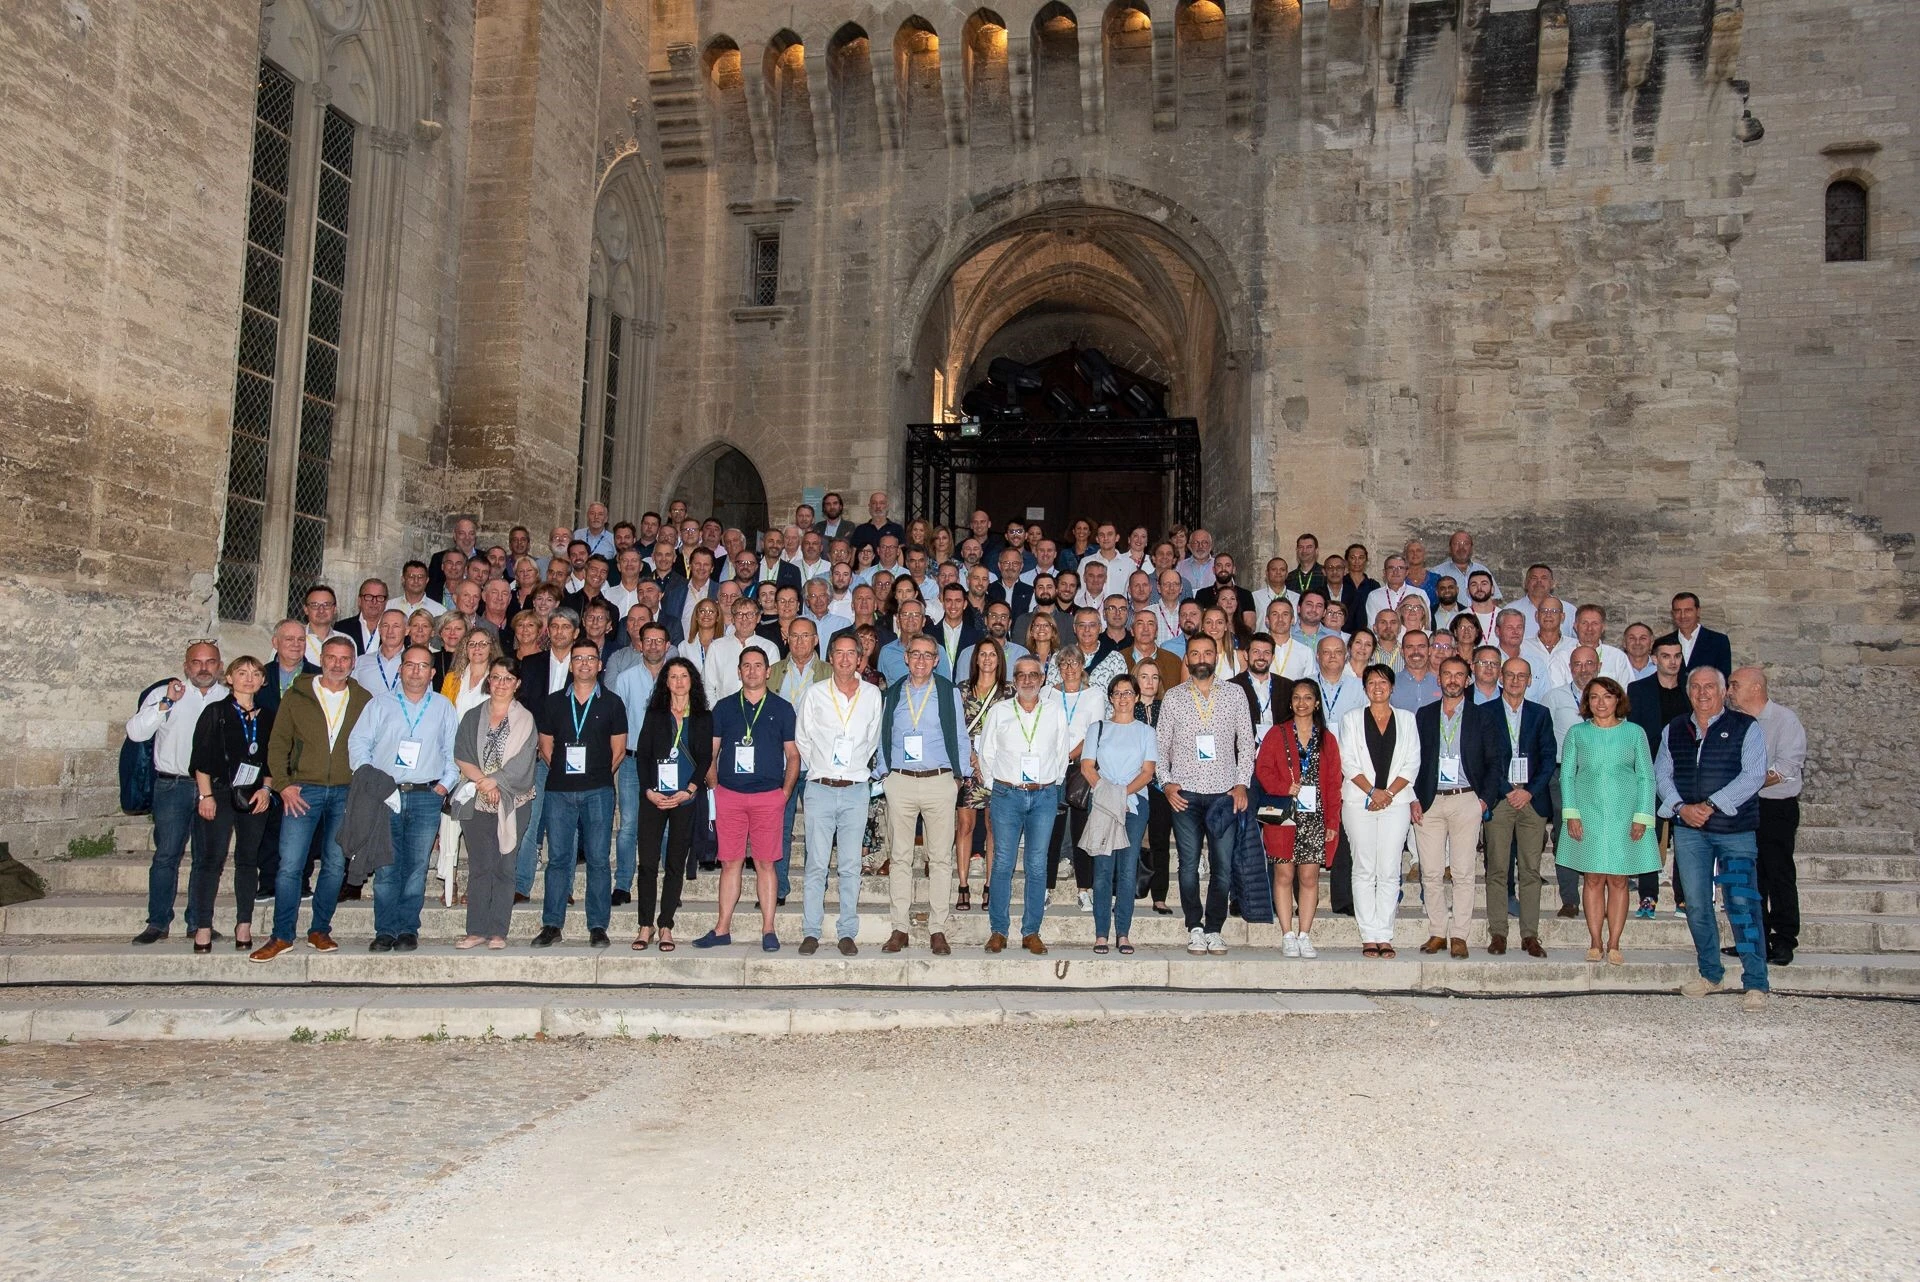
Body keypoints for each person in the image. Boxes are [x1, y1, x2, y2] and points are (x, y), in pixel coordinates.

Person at [250, 637, 374, 961]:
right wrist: (284, 784)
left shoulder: (364, 699)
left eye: (344, 659)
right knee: (290, 865)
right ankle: (281, 935)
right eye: (331, 657)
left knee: (335, 865)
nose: (337, 664)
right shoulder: (298, 694)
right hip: (302, 791)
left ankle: (320, 929)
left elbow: (374, 744)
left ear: (353, 662)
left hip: (345, 791)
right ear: (322, 659)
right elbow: (277, 744)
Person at [1657, 668, 1770, 1008]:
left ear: (1724, 692)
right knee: (1696, 906)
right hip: (1690, 833)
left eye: (1710, 687)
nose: (1702, 693)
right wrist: (1679, 807)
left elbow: (1753, 775)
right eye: (1696, 687)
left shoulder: (1745, 727)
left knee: (1743, 904)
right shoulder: (1674, 729)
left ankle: (1755, 983)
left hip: (1734, 833)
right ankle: (1711, 975)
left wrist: (1709, 805)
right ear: (1688, 691)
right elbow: (1662, 773)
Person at [347, 644, 459, 951]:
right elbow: (358, 745)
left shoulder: (443, 707)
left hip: (426, 796)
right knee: (385, 865)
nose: (416, 671)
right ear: (401, 668)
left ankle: (409, 928)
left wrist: (444, 786)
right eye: (410, 665)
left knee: (416, 866)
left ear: (432, 672)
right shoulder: (380, 704)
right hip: (385, 795)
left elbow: (453, 753)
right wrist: (372, 782)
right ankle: (385, 930)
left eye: (423, 666)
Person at [1156, 634, 1255, 956]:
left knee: (1222, 866)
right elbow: (1160, 747)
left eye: (1207, 652)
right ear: (1186, 658)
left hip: (1223, 794)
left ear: (1216, 657)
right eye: (1195, 653)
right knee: (1187, 866)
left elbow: (1247, 744)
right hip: (1184, 795)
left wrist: (1242, 785)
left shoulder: (1236, 694)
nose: (1201, 658)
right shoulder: (1173, 697)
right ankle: (1194, 927)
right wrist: (1167, 783)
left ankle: (1214, 928)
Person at [126, 640, 229, 945]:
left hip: (212, 789)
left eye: (210, 662)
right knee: (166, 855)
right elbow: (136, 732)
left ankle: (198, 922)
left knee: (205, 858)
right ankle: (158, 922)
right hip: (172, 785)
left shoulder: (228, 697)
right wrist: (166, 704)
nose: (203, 668)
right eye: (196, 662)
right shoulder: (165, 694)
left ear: (220, 666)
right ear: (186, 666)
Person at [696, 648, 798, 951]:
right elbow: (711, 752)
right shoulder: (724, 708)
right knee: (730, 863)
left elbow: (793, 755)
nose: (752, 671)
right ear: (738, 672)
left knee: (766, 864)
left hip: (768, 797)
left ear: (768, 671)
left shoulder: (782, 708)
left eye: (758, 666)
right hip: (730, 795)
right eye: (746, 666)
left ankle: (769, 930)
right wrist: (716, 788)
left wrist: (785, 793)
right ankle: (722, 928)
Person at [873, 635, 969, 955]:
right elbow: (882, 734)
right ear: (905, 657)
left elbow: (960, 735)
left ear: (937, 660)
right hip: (900, 782)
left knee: (940, 859)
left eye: (928, 655)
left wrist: (958, 779)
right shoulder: (894, 692)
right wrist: (885, 775)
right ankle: (899, 927)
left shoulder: (947, 691)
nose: (921, 661)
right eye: (915, 654)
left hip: (939, 782)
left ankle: (937, 929)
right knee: (900, 857)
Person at [1556, 675, 1661, 964]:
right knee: (1591, 878)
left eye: (1607, 696)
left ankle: (1614, 942)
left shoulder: (1634, 733)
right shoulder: (1577, 733)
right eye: (1594, 697)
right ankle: (1594, 941)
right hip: (1587, 814)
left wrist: (1642, 815)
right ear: (1587, 702)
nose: (1601, 702)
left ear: (1618, 700)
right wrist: (1571, 814)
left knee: (1618, 879)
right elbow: (1566, 775)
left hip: (1623, 815)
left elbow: (1646, 776)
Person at [532, 641, 628, 948]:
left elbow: (619, 749)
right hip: (559, 790)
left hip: (598, 790)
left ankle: (598, 926)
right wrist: (563, 770)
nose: (584, 663)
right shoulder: (553, 702)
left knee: (599, 860)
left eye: (590, 659)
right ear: (571, 665)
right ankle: (552, 924)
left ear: (600, 665)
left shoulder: (612, 703)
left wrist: (597, 775)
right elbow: (545, 746)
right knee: (558, 859)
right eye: (578, 659)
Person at [794, 634, 883, 955]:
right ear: (830, 657)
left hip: (856, 790)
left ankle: (847, 931)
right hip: (820, 787)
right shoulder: (815, 694)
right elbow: (802, 738)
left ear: (860, 658)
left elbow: (872, 739)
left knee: (849, 865)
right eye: (839, 653)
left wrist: (853, 767)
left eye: (851, 654)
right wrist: (822, 766)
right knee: (816, 864)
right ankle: (811, 931)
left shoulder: (873, 695)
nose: (845, 659)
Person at [977, 656, 1073, 954]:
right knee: (1003, 863)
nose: (1028, 680)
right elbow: (986, 752)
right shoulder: (999, 711)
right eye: (1022, 675)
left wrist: (1051, 783)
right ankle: (998, 930)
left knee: (1036, 865)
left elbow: (1062, 751)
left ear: (1042, 679)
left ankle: (1031, 931)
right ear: (1014, 680)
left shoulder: (1055, 711)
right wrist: (998, 787)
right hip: (1007, 794)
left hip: (1043, 795)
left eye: (1034, 675)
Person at [1465, 657, 1559, 957]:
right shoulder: (1485, 712)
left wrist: (1529, 791)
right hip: (1500, 799)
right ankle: (1498, 934)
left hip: (1532, 801)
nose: (1516, 681)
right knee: (1497, 869)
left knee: (1530, 871)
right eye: (1511, 675)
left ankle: (1530, 935)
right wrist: (1507, 790)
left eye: (1522, 676)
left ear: (1530, 680)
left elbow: (1549, 758)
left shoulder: (1541, 714)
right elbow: (1482, 758)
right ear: (1501, 678)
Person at [448, 656, 539, 949]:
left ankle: (498, 931)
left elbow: (524, 763)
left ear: (517, 684)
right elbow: (461, 752)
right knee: (480, 865)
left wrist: (496, 782)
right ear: (490, 680)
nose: (501, 684)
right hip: (476, 797)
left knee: (505, 865)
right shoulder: (473, 715)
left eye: (508, 679)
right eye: (497, 677)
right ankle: (476, 930)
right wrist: (483, 783)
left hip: (514, 799)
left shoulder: (526, 719)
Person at [188, 655, 274, 953]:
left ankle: (244, 923)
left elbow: (272, 760)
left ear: (263, 680)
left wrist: (266, 790)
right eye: (242, 672)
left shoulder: (267, 716)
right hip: (220, 792)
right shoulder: (216, 712)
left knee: (249, 860)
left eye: (255, 673)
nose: (249, 678)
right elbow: (200, 757)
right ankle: (202, 926)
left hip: (253, 793)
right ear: (229, 678)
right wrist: (205, 795)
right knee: (211, 860)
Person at [1337, 665, 1420, 957]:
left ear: (1392, 687)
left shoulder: (1408, 720)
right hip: (1360, 801)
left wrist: (1387, 795)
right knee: (1363, 868)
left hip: (1396, 804)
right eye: (1371, 682)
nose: (1377, 687)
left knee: (1388, 869)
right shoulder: (1351, 719)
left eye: (1383, 682)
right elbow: (1348, 762)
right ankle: (1368, 934)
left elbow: (1412, 763)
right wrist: (1373, 792)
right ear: (1364, 688)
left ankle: (1384, 934)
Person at [1256, 680, 1341, 958]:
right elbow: (1262, 770)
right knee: (1284, 873)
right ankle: (1287, 934)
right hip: (1284, 814)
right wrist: (1283, 786)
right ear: (1290, 702)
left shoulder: (1327, 738)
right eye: (1296, 698)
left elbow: (1333, 783)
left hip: (1315, 816)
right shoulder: (1276, 734)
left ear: (1317, 703)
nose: (1302, 703)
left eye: (1308, 698)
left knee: (1309, 876)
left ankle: (1305, 934)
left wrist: (1332, 822)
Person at [1729, 666, 1807, 966]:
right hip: (1743, 806)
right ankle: (1754, 939)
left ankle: (1784, 939)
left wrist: (1747, 781)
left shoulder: (1785, 720)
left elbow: (1787, 766)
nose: (1729, 690)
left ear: (1756, 689)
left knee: (1778, 874)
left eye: (1735, 684)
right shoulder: (1734, 721)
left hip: (1775, 808)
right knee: (1749, 875)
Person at [1078, 673, 1156, 954]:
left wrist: (1122, 794)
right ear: (1110, 698)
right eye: (1117, 693)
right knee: (1102, 870)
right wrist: (1111, 795)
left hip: (1135, 805)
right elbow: (1087, 767)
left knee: (1126, 869)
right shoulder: (1097, 728)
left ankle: (1123, 932)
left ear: (1136, 697)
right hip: (1102, 804)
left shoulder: (1147, 732)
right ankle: (1101, 933)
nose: (1123, 698)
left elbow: (1148, 772)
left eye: (1128, 693)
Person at [1410, 656, 1480, 957]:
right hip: (1430, 800)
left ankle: (1460, 935)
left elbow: (1495, 760)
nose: (1452, 679)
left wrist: (1484, 798)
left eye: (1459, 675)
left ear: (1467, 680)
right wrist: (1413, 797)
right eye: (1447, 674)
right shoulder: (1423, 715)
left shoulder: (1482, 716)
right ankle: (1438, 931)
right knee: (1431, 871)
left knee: (1464, 872)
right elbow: (1412, 760)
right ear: (1438, 678)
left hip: (1466, 798)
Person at [1628, 638, 1693, 917]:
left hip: (1687, 773)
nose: (1672, 661)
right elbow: (1633, 734)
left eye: (1677, 656)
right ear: (1654, 658)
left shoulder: (1693, 690)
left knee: (1687, 837)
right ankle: (1648, 896)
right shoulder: (1638, 690)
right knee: (1647, 836)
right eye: (1666, 656)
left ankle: (1684, 897)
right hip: (1648, 772)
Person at [956, 638, 1009, 913]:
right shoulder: (962, 691)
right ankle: (963, 885)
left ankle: (990, 885)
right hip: (968, 767)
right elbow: (955, 728)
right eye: (982, 654)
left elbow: (1012, 731)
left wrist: (987, 761)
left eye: (992, 654)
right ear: (975, 659)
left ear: (999, 660)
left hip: (998, 768)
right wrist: (972, 758)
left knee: (993, 828)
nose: (987, 659)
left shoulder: (1008, 692)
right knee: (965, 826)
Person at [1654, 592, 1733, 678]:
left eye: (1688, 610)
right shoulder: (1661, 643)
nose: (1683, 616)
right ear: (1673, 614)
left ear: (1698, 612)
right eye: (1678, 611)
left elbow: (1723, 679)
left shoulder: (1719, 641)